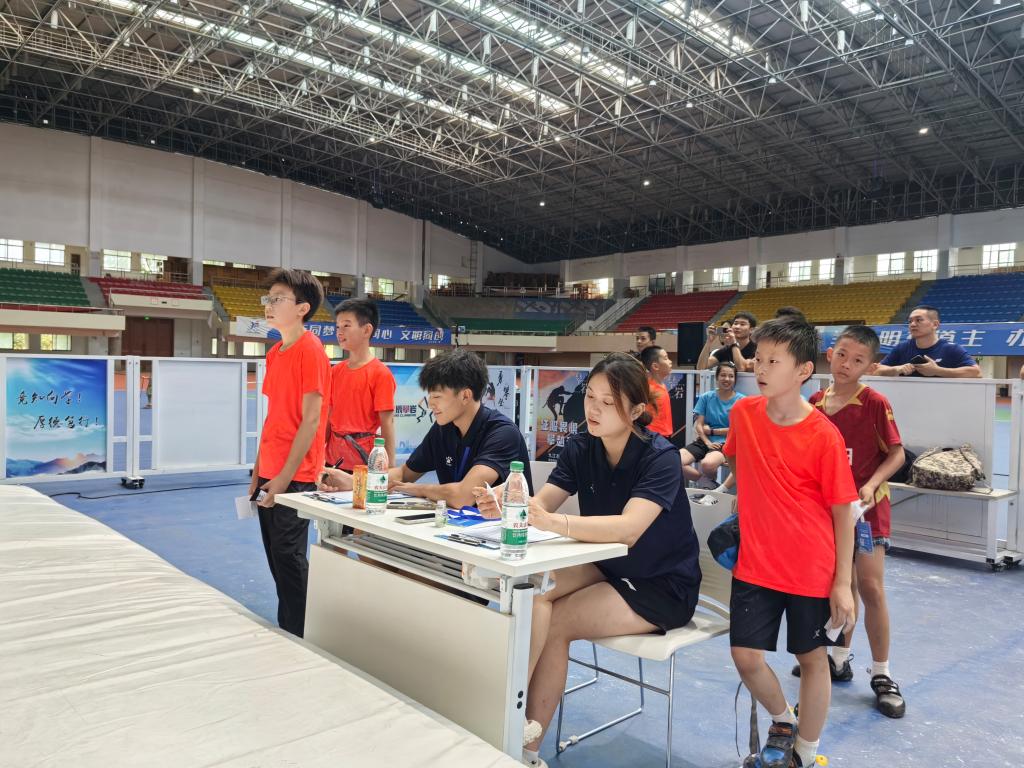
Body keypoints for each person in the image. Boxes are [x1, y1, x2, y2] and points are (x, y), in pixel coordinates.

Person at [473, 352, 701, 768]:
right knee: (534, 587)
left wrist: (553, 522)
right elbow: (542, 504)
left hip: (661, 585)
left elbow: (629, 529)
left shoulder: (660, 458)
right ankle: (507, 709)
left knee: (558, 623)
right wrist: (508, 505)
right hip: (608, 566)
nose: (593, 409)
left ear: (636, 411)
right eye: (590, 396)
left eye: (608, 402)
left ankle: (526, 750)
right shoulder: (581, 446)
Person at [722, 317, 858, 768]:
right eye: (758, 359)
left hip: (810, 569)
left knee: (812, 658)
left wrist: (842, 583)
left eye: (773, 361)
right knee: (745, 656)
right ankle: (784, 720)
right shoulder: (743, 414)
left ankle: (806, 753)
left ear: (803, 370)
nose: (760, 369)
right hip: (755, 562)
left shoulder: (824, 436)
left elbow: (843, 512)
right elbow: (733, 459)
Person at [788, 325, 907, 719]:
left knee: (870, 586)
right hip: (827, 513)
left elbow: (897, 454)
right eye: (842, 355)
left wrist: (871, 484)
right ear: (829, 354)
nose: (846, 364)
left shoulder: (875, 403)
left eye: (858, 360)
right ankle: (839, 658)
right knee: (839, 585)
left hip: (867, 511)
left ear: (870, 366)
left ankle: (882, 673)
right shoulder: (814, 403)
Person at [321, 348, 531, 507]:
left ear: (466, 395)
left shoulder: (502, 433)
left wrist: (418, 489)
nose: (430, 404)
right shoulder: (443, 429)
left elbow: (464, 496)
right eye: (429, 396)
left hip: (502, 533)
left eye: (437, 397)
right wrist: (354, 481)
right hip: (453, 527)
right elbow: (404, 473)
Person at [248, 268, 331, 637]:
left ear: (302, 308)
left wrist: (283, 477)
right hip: (272, 469)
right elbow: (274, 418)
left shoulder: (310, 351)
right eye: (268, 299)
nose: (269, 305)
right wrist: (258, 471)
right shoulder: (275, 353)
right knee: (275, 555)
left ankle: (302, 633)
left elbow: (311, 420)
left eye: (278, 299)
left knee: (289, 555)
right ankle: (291, 627)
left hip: (295, 475)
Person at [325, 298, 396, 471]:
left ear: (366, 330)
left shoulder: (380, 374)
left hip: (363, 463)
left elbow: (387, 423)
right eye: (337, 327)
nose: (339, 332)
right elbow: (328, 416)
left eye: (346, 325)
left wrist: (390, 469)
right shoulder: (335, 372)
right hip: (332, 460)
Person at [678, 361, 743, 490]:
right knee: (674, 461)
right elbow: (699, 425)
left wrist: (713, 432)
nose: (727, 379)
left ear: (735, 379)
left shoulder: (741, 400)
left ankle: (710, 489)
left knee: (707, 464)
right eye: (723, 375)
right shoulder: (706, 397)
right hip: (704, 441)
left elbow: (738, 429)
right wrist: (707, 441)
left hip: (725, 443)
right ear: (717, 377)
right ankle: (708, 484)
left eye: (731, 376)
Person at [874, 305, 982, 378]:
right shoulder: (901, 348)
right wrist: (896, 369)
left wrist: (937, 370)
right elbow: (877, 370)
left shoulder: (951, 349)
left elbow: (976, 372)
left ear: (935, 324)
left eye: (919, 320)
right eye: (910, 321)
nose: (912, 324)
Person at [640, 344, 673, 438]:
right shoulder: (648, 389)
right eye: (666, 358)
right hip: (653, 437)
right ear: (655, 366)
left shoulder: (662, 385)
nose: (670, 361)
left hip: (665, 436)